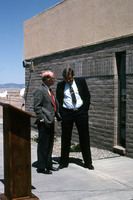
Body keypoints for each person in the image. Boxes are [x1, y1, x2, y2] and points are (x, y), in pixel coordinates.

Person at [56, 67, 94, 170]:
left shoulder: (81, 81)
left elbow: (87, 96)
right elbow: (59, 100)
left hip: (80, 112)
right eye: (66, 79)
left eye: (70, 78)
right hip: (67, 113)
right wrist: (61, 113)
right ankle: (64, 162)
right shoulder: (60, 85)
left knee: (84, 137)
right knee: (65, 138)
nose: (68, 81)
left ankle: (88, 162)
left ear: (73, 76)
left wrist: (85, 110)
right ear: (63, 77)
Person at [33, 70, 61, 174]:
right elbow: (37, 107)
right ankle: (41, 167)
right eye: (53, 78)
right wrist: (42, 119)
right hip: (44, 122)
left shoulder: (49, 89)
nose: (54, 80)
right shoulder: (40, 90)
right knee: (43, 145)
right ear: (47, 79)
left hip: (51, 121)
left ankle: (48, 164)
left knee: (49, 144)